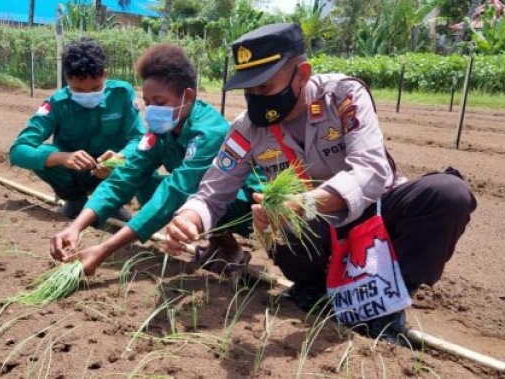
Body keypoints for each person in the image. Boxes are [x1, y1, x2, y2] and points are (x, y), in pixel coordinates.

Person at [163, 24, 477, 339]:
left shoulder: (342, 96)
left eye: (266, 87)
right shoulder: (246, 129)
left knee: (448, 194)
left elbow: (371, 169)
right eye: (249, 90)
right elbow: (214, 191)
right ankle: (312, 289)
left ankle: (388, 301)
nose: (256, 99)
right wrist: (189, 218)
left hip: (375, 210)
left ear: (302, 73)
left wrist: (307, 202)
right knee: (276, 220)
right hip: (311, 226)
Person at [51, 44, 259, 277]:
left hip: (246, 202)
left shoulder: (208, 131)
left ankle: (231, 251)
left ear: (187, 96)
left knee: (181, 196)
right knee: (148, 184)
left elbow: (176, 191)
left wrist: (104, 250)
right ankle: (219, 245)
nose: (151, 110)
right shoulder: (161, 130)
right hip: (199, 198)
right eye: (147, 102)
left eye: (159, 102)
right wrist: (76, 226)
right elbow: (124, 177)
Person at [10, 38, 143, 219]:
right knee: (43, 152)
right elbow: (18, 151)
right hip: (74, 176)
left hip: (111, 171)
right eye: (79, 90)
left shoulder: (122, 94)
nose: (87, 95)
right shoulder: (57, 103)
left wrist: (118, 159)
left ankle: (112, 203)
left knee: (141, 157)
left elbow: (138, 141)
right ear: (67, 79)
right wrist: (62, 158)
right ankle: (75, 201)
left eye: (95, 88)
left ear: (105, 74)